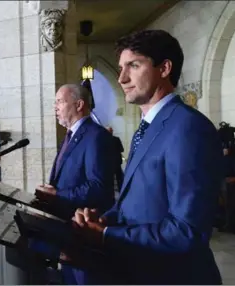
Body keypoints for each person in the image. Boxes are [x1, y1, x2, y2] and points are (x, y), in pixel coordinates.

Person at [72, 30, 223, 284]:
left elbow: (186, 231)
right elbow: (136, 202)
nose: (121, 78)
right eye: (120, 67)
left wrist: (107, 234)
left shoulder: (187, 127)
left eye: (133, 65)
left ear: (164, 68)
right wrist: (103, 219)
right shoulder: (148, 126)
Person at [34, 84, 115, 285]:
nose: (55, 107)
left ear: (79, 104)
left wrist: (57, 194)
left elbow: (98, 187)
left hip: (84, 234)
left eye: (60, 101)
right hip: (67, 234)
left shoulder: (95, 136)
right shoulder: (70, 136)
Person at [105, 126, 124, 192]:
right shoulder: (116, 139)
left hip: (109, 163)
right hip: (116, 161)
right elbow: (122, 149)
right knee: (119, 178)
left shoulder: (104, 141)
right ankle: (121, 190)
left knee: (110, 179)